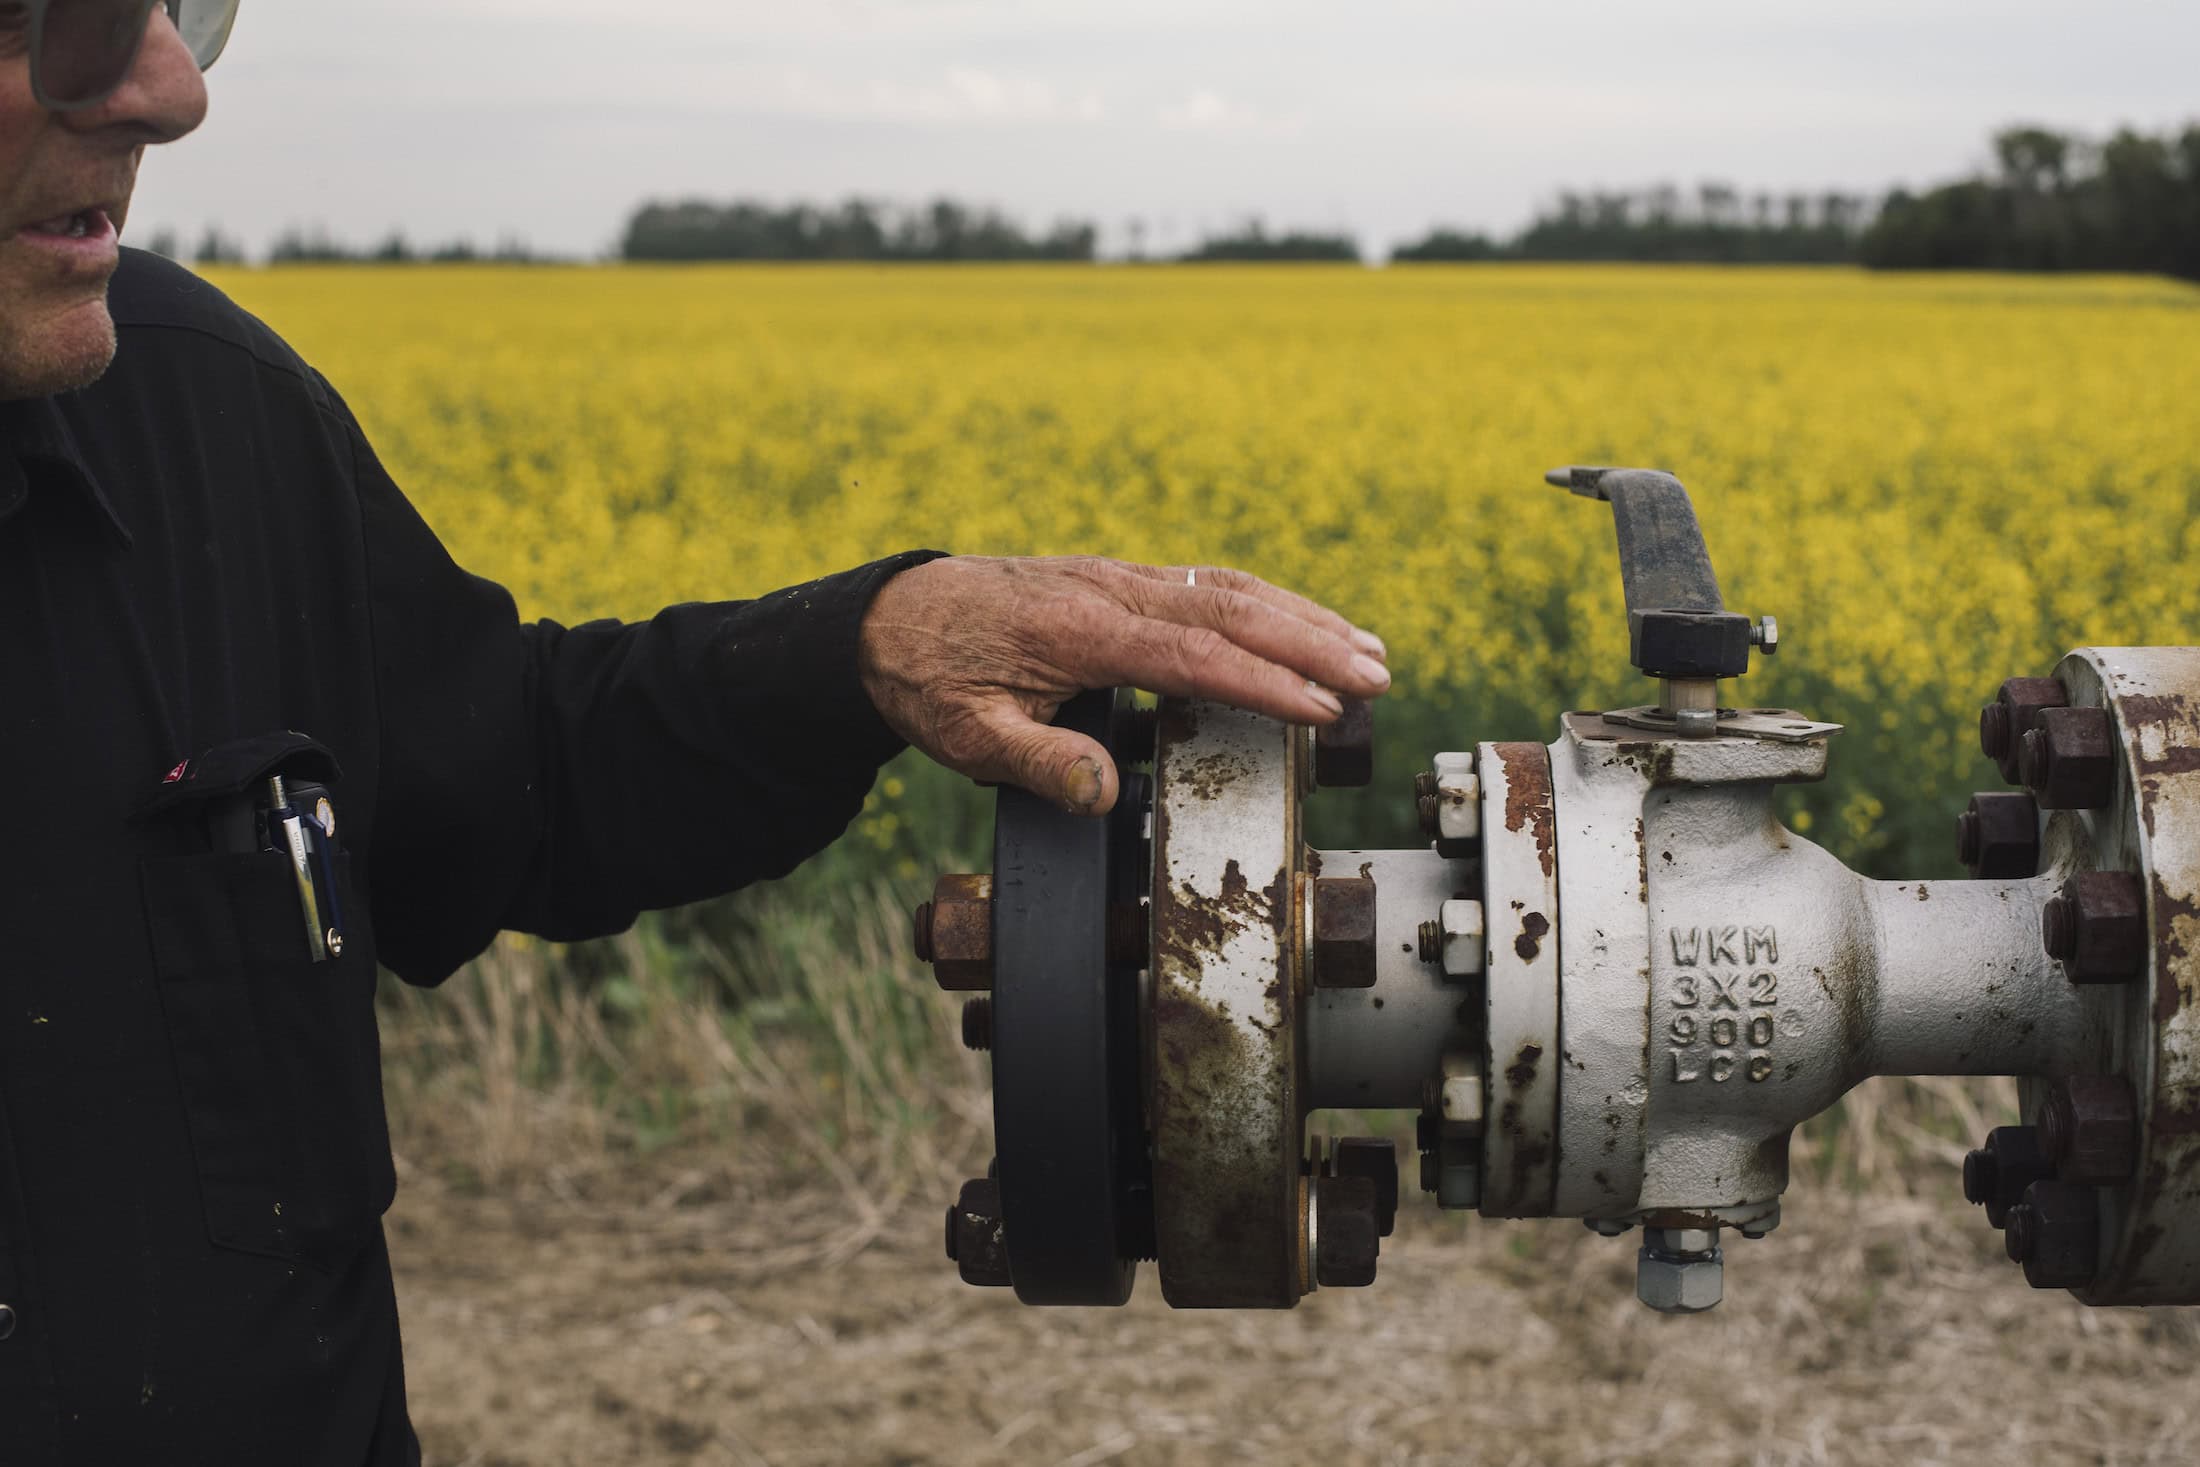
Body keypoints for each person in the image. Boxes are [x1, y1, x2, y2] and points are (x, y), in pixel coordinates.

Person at [0, 3, 1390, 1463]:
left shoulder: (206, 412)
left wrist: (870, 649)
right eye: (62, 16)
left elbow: (513, 779)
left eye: (180, 7)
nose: (167, 92)